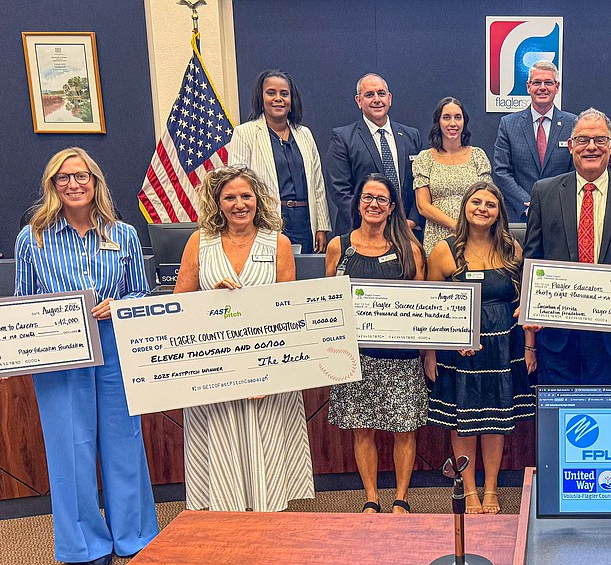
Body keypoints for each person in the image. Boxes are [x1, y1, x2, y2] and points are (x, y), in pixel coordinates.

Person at [12, 147, 158, 565]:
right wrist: (9, 357)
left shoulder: (123, 234)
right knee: (70, 447)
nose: (73, 184)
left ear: (95, 182)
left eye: (81, 176)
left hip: (114, 345)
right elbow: (23, 302)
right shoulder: (33, 238)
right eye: (63, 178)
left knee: (123, 441)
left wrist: (120, 305)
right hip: (59, 350)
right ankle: (86, 545)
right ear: (52, 185)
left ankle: (133, 534)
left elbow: (140, 292)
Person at [173, 166, 313, 512]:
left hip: (267, 369)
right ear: (217, 202)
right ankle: (227, 522)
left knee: (267, 446)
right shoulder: (200, 242)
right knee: (221, 449)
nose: (239, 204)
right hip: (216, 372)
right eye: (230, 197)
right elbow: (178, 308)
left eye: (246, 196)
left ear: (258, 199)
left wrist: (271, 375)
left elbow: (289, 312)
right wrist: (212, 298)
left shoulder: (278, 243)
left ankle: (268, 518)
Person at [523, 108, 611, 385]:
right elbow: (532, 257)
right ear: (571, 145)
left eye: (599, 140)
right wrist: (528, 304)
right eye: (583, 140)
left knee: (601, 406)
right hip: (557, 331)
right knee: (558, 408)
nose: (591, 147)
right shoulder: (544, 192)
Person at [425, 182, 536, 514]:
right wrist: (431, 352)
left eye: (490, 204)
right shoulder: (443, 251)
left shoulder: (511, 248)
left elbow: (524, 304)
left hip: (504, 346)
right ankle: (469, 488)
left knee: (496, 419)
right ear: (465, 207)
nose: (482, 209)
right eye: (476, 202)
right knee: (464, 419)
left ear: (499, 213)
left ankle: (491, 488)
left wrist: (530, 347)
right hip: (459, 352)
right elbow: (430, 307)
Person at [325, 174, 427, 513]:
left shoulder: (410, 249)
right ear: (358, 203)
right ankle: (371, 497)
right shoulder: (339, 247)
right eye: (367, 197)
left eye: (381, 199)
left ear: (392, 207)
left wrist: (427, 353)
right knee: (362, 430)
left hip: (400, 357)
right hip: (355, 358)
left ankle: (401, 498)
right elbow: (329, 303)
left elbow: (422, 307)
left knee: (404, 430)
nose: (374, 204)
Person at [227, 70, 331, 253]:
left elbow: (318, 185)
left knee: (306, 270)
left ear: (292, 100)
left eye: (284, 94)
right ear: (261, 98)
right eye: (271, 93)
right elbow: (237, 185)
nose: (278, 99)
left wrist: (321, 226)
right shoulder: (245, 133)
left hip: (304, 221)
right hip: (266, 220)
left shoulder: (305, 134)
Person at [325, 73, 425, 238]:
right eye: (369, 95)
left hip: (406, 231)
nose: (377, 99)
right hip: (362, 232)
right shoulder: (343, 138)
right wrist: (371, 222)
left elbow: (420, 185)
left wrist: (412, 221)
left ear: (389, 98)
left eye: (381, 93)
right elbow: (340, 190)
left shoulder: (411, 136)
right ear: (359, 101)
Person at [493, 60, 577, 223]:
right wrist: (527, 203)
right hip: (520, 215)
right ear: (528, 87)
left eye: (548, 83)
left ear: (557, 87)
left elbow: (576, 170)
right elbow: (501, 171)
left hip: (561, 213)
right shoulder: (508, 124)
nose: (542, 88)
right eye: (537, 82)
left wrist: (553, 203)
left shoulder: (573, 124)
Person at [413, 97, 492, 255]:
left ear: (464, 122)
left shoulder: (478, 156)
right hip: (437, 235)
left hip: (474, 233)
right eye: (446, 117)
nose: (453, 123)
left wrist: (468, 228)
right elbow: (422, 206)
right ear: (438, 122)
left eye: (458, 117)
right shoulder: (425, 158)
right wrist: (456, 226)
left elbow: (488, 197)